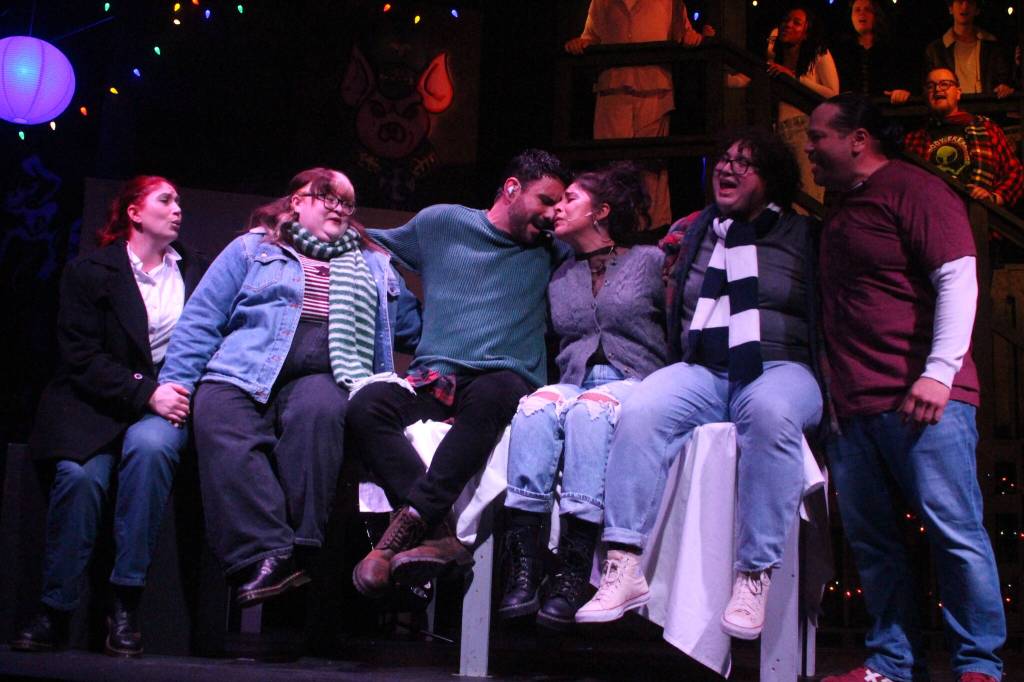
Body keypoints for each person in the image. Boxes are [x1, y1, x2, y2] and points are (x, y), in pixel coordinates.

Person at [574, 129, 824, 642]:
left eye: (745, 163)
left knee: (771, 414)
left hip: (780, 365)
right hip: (707, 368)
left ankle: (753, 574)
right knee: (642, 408)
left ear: (772, 179)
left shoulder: (804, 235)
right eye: (725, 159)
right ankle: (624, 564)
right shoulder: (697, 230)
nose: (728, 169)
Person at [806, 93, 1005, 682]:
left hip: (919, 400)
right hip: (853, 405)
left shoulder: (914, 190)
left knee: (954, 532)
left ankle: (979, 667)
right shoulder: (842, 206)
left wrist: (939, 372)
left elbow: (958, 279)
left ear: (858, 139)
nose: (810, 147)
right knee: (874, 543)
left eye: (819, 136)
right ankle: (892, 662)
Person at [158, 167, 421, 607]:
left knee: (319, 414)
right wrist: (175, 385)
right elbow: (202, 318)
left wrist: (452, 363)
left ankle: (302, 550)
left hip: (332, 371)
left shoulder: (373, 263)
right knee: (217, 413)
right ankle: (269, 552)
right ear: (296, 201)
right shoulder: (253, 249)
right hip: (246, 366)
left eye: (346, 201)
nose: (339, 206)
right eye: (327, 196)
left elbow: (415, 327)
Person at [347, 149, 570, 597]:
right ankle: (440, 536)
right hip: (436, 378)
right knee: (368, 404)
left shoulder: (552, 249)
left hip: (504, 380)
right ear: (512, 189)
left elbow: (604, 243)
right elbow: (370, 241)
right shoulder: (442, 224)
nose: (553, 215)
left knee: (492, 393)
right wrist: (293, 232)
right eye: (546, 201)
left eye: (560, 206)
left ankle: (403, 532)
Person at [11, 177, 209, 656]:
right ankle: (55, 609)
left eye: (180, 199)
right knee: (79, 479)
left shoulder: (193, 271)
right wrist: (146, 394)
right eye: (165, 200)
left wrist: (170, 395)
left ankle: (126, 602)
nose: (177, 208)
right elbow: (79, 356)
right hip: (93, 401)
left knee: (152, 449)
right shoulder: (90, 271)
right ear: (135, 213)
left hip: (161, 406)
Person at [497, 163, 667, 630]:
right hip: (576, 379)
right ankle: (525, 566)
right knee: (534, 407)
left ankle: (573, 571)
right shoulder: (560, 273)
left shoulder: (649, 261)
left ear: (602, 211)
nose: (557, 209)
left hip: (636, 380)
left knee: (588, 414)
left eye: (569, 199)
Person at [565, 0, 712, 229]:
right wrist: (580, 44)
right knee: (611, 167)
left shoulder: (669, 2)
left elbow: (682, 33)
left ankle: (653, 232)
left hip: (654, 90)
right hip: (613, 90)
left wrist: (692, 37)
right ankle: (612, 231)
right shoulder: (601, 2)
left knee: (651, 170)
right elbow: (591, 36)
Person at [904, 68, 1023, 208]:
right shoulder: (914, 139)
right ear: (925, 95)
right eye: (931, 86)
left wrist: (995, 198)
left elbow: (1016, 172)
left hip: (976, 216)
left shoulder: (985, 128)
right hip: (932, 216)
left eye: (945, 84)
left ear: (958, 93)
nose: (937, 89)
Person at [924, 0, 1014, 98]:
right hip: (952, 111)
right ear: (950, 8)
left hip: (985, 108)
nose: (965, 6)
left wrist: (1004, 87)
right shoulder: (936, 50)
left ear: (977, 10)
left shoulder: (991, 46)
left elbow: (1005, 79)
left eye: (970, 2)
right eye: (959, 1)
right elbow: (928, 86)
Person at [831, 0, 912, 104]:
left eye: (867, 9)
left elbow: (905, 81)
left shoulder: (892, 51)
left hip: (885, 110)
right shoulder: (840, 51)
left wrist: (902, 92)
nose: (861, 13)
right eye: (857, 10)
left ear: (876, 15)